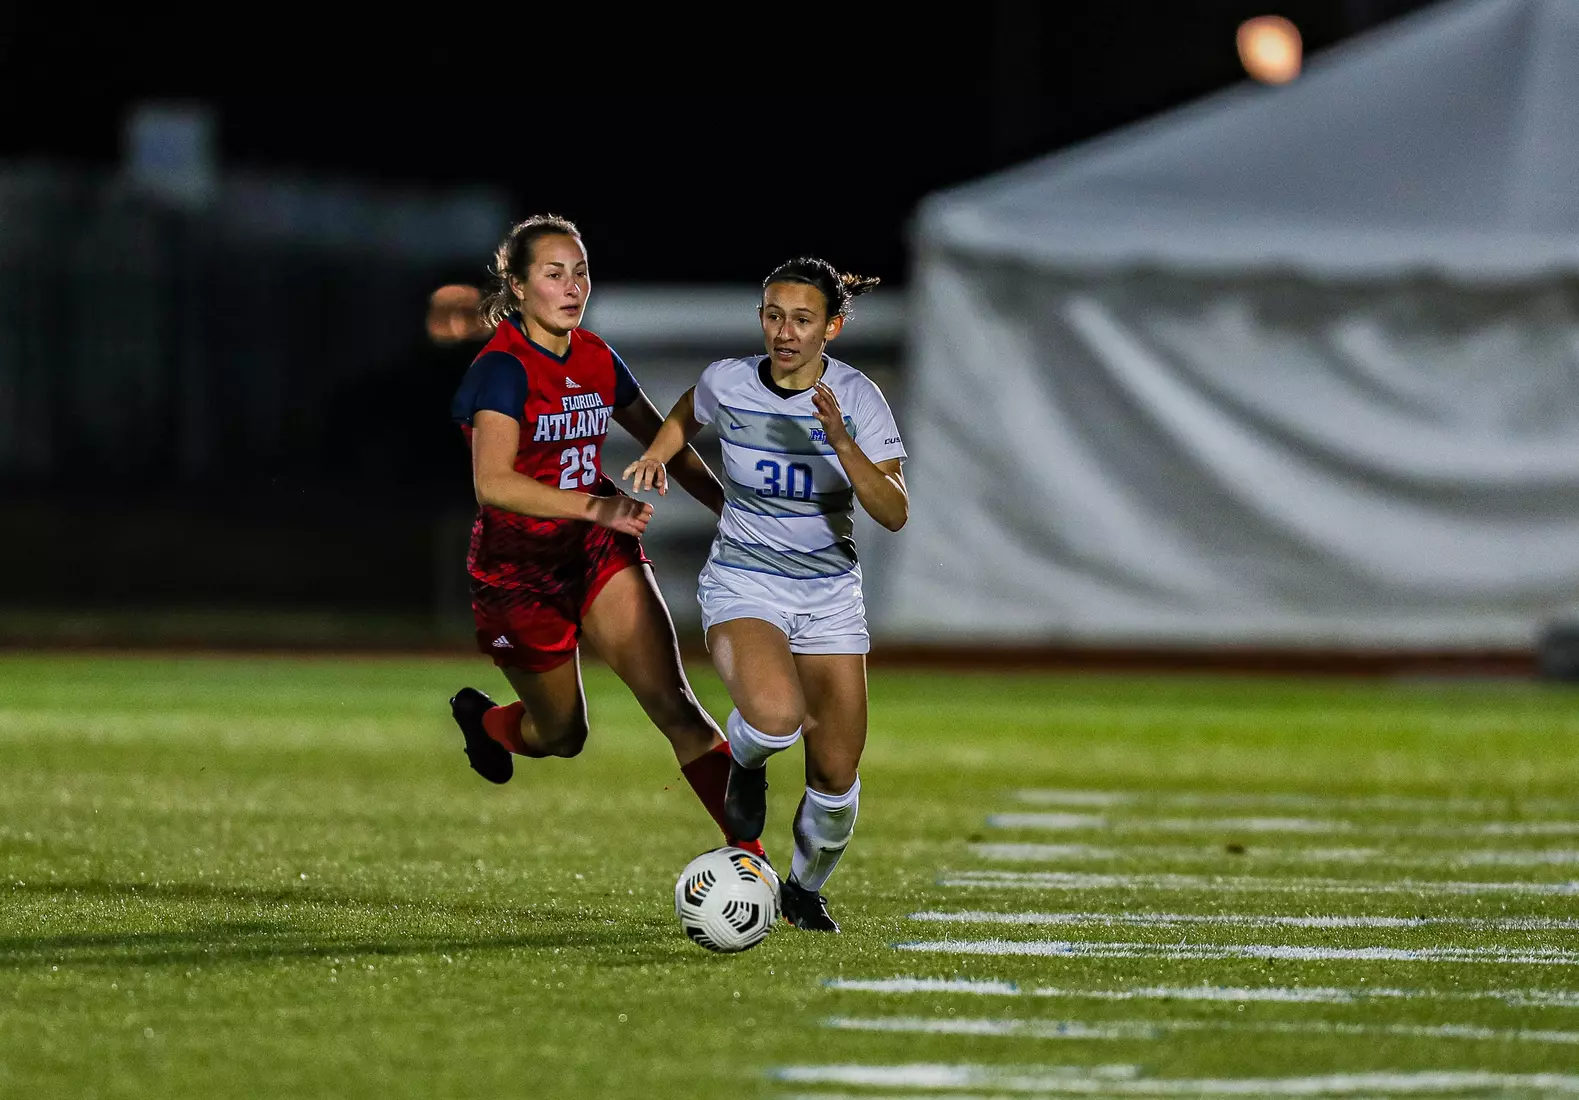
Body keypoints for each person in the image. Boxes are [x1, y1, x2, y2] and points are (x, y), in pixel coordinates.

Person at [447, 214, 765, 860]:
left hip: (593, 552)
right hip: (517, 575)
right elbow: (493, 485)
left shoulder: (594, 356)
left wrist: (728, 508)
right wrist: (595, 505)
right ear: (517, 284)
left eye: (580, 272)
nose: (572, 288)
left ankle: (755, 864)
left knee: (676, 706)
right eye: (553, 274)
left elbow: (663, 442)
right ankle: (485, 720)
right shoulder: (501, 370)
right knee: (563, 735)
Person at [622, 257, 908, 931]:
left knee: (836, 775)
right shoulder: (728, 379)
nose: (785, 331)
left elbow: (893, 511)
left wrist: (840, 440)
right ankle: (744, 765)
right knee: (776, 718)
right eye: (774, 315)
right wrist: (661, 452)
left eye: (803, 319)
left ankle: (804, 889)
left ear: (831, 328)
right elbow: (690, 407)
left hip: (830, 594)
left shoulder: (858, 398)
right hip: (744, 582)